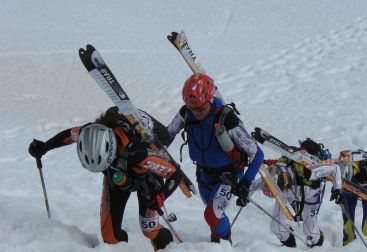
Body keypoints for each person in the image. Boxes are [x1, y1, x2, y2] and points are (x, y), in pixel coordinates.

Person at [28, 106, 184, 250]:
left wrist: (161, 195)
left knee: (149, 229)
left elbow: (176, 174)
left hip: (148, 178)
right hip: (116, 178)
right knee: (110, 235)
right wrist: (45, 147)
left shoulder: (140, 153)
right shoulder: (89, 133)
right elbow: (70, 135)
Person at [166, 73, 264, 243]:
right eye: (192, 109)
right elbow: (167, 135)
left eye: (201, 109)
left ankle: (225, 242)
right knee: (214, 218)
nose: (196, 113)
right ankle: (216, 243)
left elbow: (257, 154)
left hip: (229, 177)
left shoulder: (226, 119)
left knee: (212, 216)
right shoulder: (186, 112)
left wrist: (246, 182)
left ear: (210, 100)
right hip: (204, 176)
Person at [262, 138, 343, 248]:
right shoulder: (285, 163)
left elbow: (335, 168)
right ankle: (290, 248)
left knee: (310, 231)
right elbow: (276, 163)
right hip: (290, 193)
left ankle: (319, 244)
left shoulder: (312, 167)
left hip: (312, 195)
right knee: (276, 226)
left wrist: (337, 188)